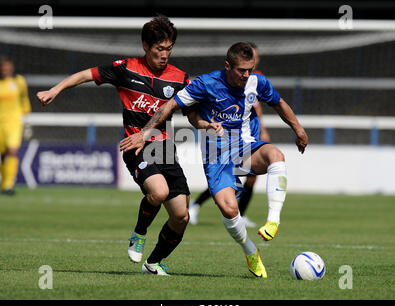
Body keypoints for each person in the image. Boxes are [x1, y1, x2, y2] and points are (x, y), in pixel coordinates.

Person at [119, 42, 308, 278]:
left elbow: (278, 103)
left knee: (276, 155)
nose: (246, 75)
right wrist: (147, 132)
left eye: (250, 69)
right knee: (229, 210)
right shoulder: (206, 83)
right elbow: (172, 104)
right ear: (227, 66)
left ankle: (273, 220)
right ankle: (250, 251)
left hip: (246, 147)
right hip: (217, 157)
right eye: (241, 70)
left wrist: (298, 129)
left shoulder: (257, 82)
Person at [36, 15, 191, 276]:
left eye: (169, 49)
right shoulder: (125, 68)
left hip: (165, 149)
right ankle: (138, 234)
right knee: (159, 192)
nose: (164, 55)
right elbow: (87, 74)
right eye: (159, 49)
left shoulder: (179, 78)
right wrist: (56, 89)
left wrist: (209, 123)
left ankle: (152, 264)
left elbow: (195, 107)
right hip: (135, 146)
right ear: (145, 46)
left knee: (181, 216)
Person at [188, 42, 271, 228]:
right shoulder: (231, 80)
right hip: (227, 136)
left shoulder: (256, 80)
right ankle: (195, 205)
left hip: (249, 134)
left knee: (249, 176)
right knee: (227, 176)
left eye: (256, 59)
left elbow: (255, 109)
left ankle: (239, 214)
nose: (254, 62)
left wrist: (262, 130)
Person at [0, 57, 31, 195]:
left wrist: (28, 121)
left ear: (11, 67)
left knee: (12, 151)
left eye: (8, 66)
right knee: (2, 155)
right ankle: (4, 180)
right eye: (3, 67)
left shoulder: (19, 82)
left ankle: (8, 185)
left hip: (14, 123)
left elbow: (24, 99)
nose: (5, 69)